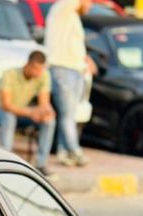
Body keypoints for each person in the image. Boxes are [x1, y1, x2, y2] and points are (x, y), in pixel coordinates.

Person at [44, 0, 97, 166]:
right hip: (62, 69)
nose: (91, 6)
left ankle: (64, 152)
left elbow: (73, 45)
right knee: (67, 114)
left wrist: (86, 59)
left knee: (69, 115)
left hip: (75, 70)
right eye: (89, 2)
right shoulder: (62, 9)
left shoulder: (72, 17)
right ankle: (74, 150)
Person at [0, 50, 56, 173]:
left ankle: (41, 164)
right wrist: (31, 112)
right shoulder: (10, 74)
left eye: (41, 69)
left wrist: (46, 112)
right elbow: (6, 105)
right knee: (8, 116)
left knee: (49, 122)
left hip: (19, 114)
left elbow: (44, 103)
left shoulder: (43, 75)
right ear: (27, 64)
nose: (38, 73)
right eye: (36, 69)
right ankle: (4, 161)